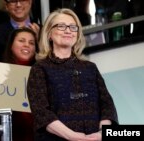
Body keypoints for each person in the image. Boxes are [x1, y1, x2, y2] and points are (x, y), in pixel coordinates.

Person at [27, 8, 118, 141]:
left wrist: (100, 134)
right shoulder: (39, 69)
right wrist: (72, 136)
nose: (68, 30)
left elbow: (107, 106)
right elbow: (41, 113)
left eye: (73, 27)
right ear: (49, 34)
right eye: (61, 26)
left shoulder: (90, 68)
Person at [3, 27, 38, 141]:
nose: (27, 45)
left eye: (31, 43)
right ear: (11, 46)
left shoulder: (42, 75)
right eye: (21, 41)